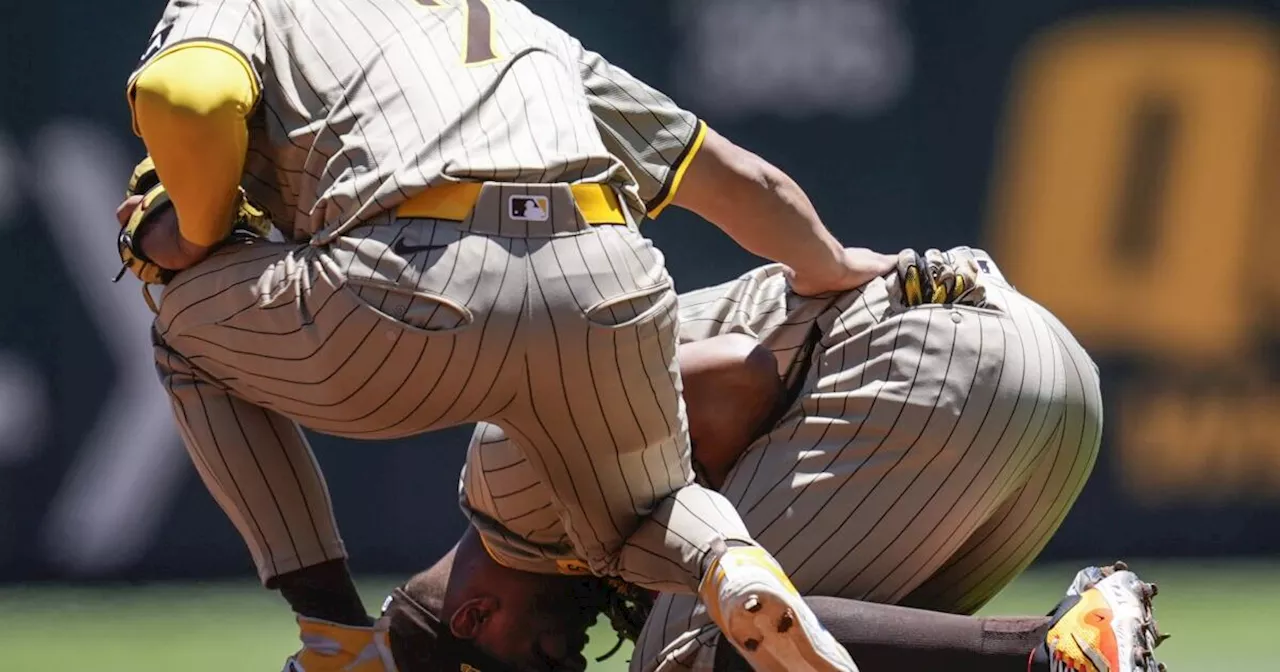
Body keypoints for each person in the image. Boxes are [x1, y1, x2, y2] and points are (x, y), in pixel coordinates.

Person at [114, 0, 895, 670]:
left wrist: (195, 229)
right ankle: (732, 569)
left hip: (410, 288)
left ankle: (335, 640)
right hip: (603, 276)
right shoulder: (516, 26)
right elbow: (734, 177)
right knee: (639, 516)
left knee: (184, 330)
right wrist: (826, 263)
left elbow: (187, 91)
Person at [383, 248, 1168, 672]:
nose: (571, 660)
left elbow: (737, 377)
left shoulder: (507, 470)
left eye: (540, 663)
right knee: (798, 659)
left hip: (943, 371)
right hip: (1039, 398)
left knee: (698, 651)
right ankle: (1065, 651)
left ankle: (1048, 653)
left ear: (474, 616)